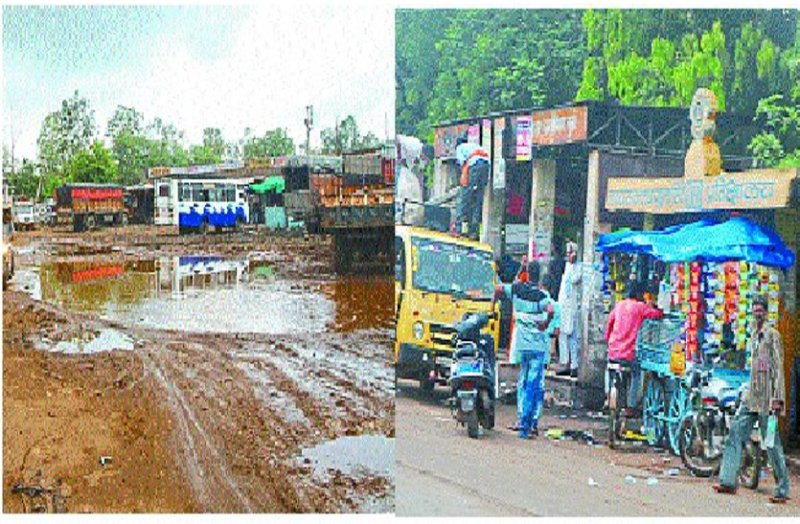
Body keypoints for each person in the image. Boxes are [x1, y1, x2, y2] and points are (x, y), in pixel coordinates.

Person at [714, 295, 790, 504]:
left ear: (766, 312)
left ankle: (782, 488)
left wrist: (778, 399)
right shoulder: (754, 336)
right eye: (755, 309)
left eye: (760, 310)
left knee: (772, 443)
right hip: (752, 398)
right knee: (735, 433)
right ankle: (728, 480)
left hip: (768, 400)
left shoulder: (772, 336)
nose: (757, 313)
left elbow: (778, 369)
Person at [494, 261, 555, 439]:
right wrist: (545, 323)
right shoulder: (542, 296)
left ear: (527, 273)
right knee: (535, 384)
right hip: (538, 346)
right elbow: (550, 309)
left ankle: (523, 420)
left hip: (522, 345)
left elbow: (498, 289)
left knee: (523, 381)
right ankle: (531, 422)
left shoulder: (516, 290)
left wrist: (492, 308)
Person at [604, 283, 663, 409]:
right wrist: (652, 305)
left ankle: (608, 397)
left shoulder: (619, 305)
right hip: (628, 354)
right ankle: (631, 405)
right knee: (636, 374)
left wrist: (608, 340)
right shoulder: (640, 307)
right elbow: (656, 314)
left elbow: (609, 324)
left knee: (609, 370)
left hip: (613, 351)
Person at [454, 136, 490, 240]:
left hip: (475, 166)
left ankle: (458, 229)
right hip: (486, 166)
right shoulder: (474, 146)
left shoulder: (460, 148)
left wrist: (464, 184)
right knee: (477, 200)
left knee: (464, 199)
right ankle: (474, 233)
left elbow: (462, 163)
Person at [557, 241, 582, 377]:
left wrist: (572, 265)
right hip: (563, 306)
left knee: (573, 337)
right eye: (567, 253)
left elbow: (574, 280)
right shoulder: (567, 266)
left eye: (570, 253)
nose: (568, 256)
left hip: (573, 307)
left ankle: (574, 366)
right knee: (563, 335)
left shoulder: (579, 268)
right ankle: (565, 363)